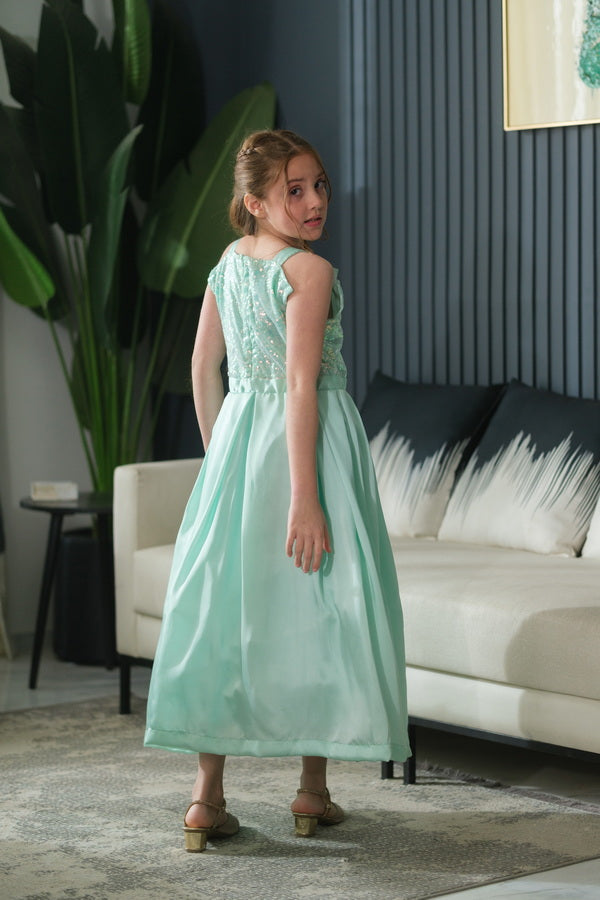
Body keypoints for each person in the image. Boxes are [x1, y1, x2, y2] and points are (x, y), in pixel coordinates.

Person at [144, 129, 410, 852]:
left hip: (240, 450)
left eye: (319, 184)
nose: (316, 200)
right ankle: (310, 791)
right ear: (255, 202)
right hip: (310, 452)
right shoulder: (309, 271)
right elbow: (300, 385)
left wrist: (222, 457)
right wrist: (305, 496)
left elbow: (203, 368)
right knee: (317, 608)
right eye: (295, 190)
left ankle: (206, 798)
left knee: (227, 612)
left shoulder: (228, 264)